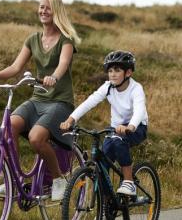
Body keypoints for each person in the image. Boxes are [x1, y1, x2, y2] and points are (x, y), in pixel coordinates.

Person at [0, 0, 81, 201]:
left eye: (47, 8)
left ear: (56, 11)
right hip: (37, 100)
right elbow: (16, 67)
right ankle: (14, 180)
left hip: (59, 103)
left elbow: (63, 64)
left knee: (36, 138)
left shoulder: (66, 40)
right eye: (41, 7)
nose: (43, 11)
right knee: (8, 127)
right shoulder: (33, 39)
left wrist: (53, 78)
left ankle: (58, 179)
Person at [60, 50, 148, 196]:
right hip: (115, 129)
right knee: (102, 162)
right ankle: (108, 203)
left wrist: (130, 127)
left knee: (120, 141)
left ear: (128, 73)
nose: (113, 74)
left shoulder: (136, 88)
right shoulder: (107, 87)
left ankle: (129, 182)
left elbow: (139, 110)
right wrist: (71, 119)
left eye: (117, 70)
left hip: (137, 127)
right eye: (110, 70)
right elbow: (89, 102)